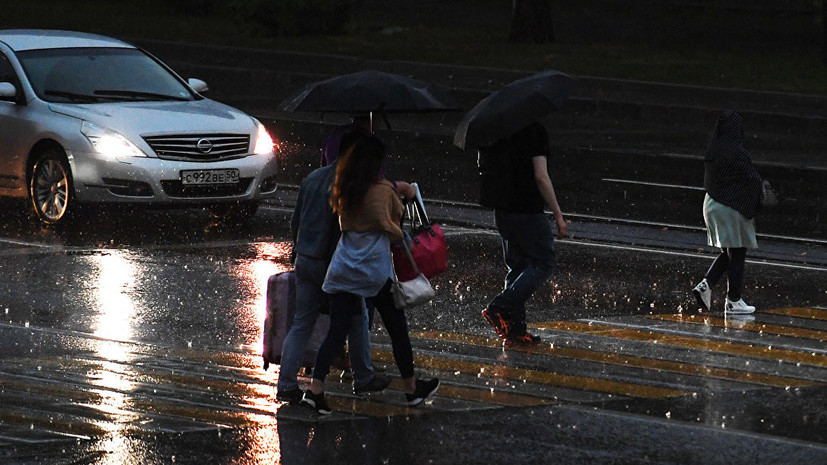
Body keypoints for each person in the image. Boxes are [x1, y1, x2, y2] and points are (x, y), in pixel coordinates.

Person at [300, 135, 439, 415]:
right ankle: (412, 389)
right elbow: (394, 224)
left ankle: (315, 390)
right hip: (374, 272)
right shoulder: (384, 191)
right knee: (397, 329)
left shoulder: (345, 188)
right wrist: (400, 191)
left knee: (337, 331)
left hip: (344, 269)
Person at [276, 130, 390, 405]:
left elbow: (296, 222)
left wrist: (297, 251)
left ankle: (286, 384)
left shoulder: (312, 178)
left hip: (305, 258)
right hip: (332, 263)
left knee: (301, 322)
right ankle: (364, 377)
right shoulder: (348, 183)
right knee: (358, 316)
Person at [478, 121, 567, 347]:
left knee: (517, 267)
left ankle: (516, 330)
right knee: (544, 262)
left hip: (503, 209)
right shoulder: (534, 130)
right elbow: (541, 176)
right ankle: (500, 306)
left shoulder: (499, 129)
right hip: (527, 209)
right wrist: (557, 213)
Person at [692, 111, 762, 315]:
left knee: (729, 251)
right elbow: (751, 179)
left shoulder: (714, 152)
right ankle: (734, 301)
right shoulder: (737, 152)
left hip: (712, 204)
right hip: (730, 207)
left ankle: (706, 285)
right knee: (738, 252)